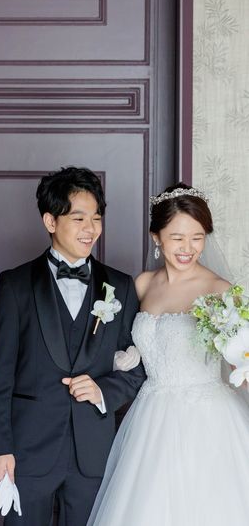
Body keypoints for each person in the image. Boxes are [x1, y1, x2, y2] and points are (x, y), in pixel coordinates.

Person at [0, 167, 146, 526]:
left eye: (97, 218)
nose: (91, 229)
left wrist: (103, 391)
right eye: (79, 218)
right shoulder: (15, 285)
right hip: (27, 451)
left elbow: (137, 369)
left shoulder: (119, 285)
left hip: (94, 453)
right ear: (50, 221)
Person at [87, 183, 249, 525]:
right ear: (156, 237)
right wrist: (124, 356)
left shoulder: (221, 292)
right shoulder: (143, 284)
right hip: (150, 419)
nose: (188, 248)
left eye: (197, 237)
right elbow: (118, 343)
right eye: (177, 237)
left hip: (208, 421)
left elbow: (242, 361)